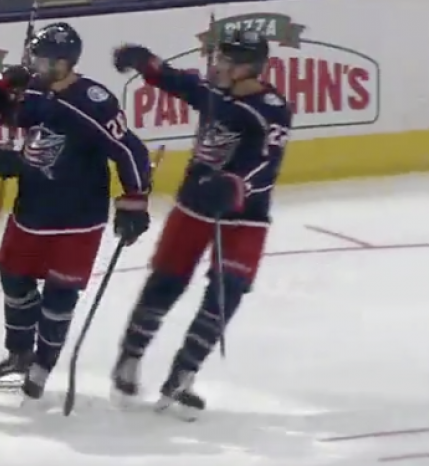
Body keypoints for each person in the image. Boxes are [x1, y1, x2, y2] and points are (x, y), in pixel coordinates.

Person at [109, 29, 292, 420]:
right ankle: (129, 358)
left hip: (245, 215)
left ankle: (183, 374)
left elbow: (268, 162)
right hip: (194, 205)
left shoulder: (272, 108)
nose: (219, 66)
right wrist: (147, 64)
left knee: (227, 293)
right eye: (219, 58)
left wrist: (235, 184)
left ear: (251, 68)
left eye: (229, 61)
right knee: (166, 282)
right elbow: (181, 83)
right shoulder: (216, 91)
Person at [0, 22, 153, 401]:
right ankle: (20, 353)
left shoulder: (92, 100)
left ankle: (43, 362)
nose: (36, 64)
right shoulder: (36, 91)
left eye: (43, 59)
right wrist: (2, 88)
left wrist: (135, 199)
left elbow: (129, 150)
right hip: (33, 209)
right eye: (35, 57)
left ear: (65, 61)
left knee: (61, 293)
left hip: (79, 216)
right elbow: (2, 114)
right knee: (12, 277)